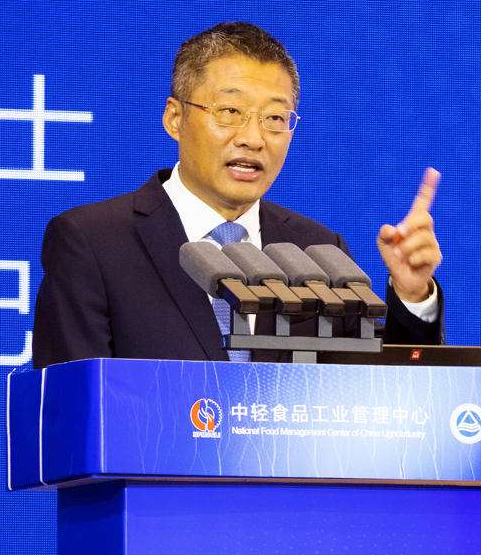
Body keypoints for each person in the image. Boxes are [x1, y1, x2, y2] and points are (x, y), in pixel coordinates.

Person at [32, 22, 444, 369]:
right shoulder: (93, 241)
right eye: (230, 112)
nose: (253, 138)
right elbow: (71, 408)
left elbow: (382, 396)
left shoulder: (318, 251)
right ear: (175, 118)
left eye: (275, 118)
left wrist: (412, 296)